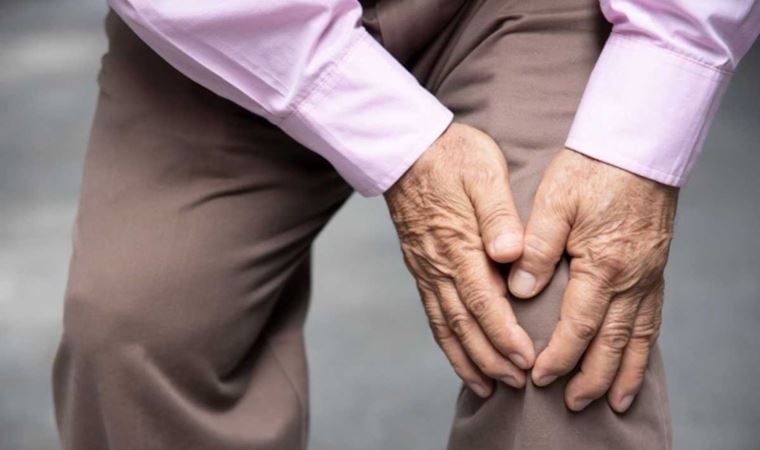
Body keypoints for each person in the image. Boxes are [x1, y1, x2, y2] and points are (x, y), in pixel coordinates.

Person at [52, 0, 759, 449]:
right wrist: (398, 141)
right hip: (230, 18)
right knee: (138, 328)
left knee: (559, 319)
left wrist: (651, 105)